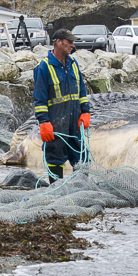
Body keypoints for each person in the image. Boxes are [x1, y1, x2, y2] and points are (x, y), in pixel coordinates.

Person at [32, 28, 90, 184]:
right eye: (69, 41)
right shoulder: (44, 67)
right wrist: (44, 122)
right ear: (58, 42)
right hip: (55, 125)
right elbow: (39, 99)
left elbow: (81, 90)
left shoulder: (73, 63)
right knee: (55, 158)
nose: (72, 45)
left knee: (82, 157)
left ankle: (82, 190)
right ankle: (56, 191)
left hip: (74, 122)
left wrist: (85, 111)